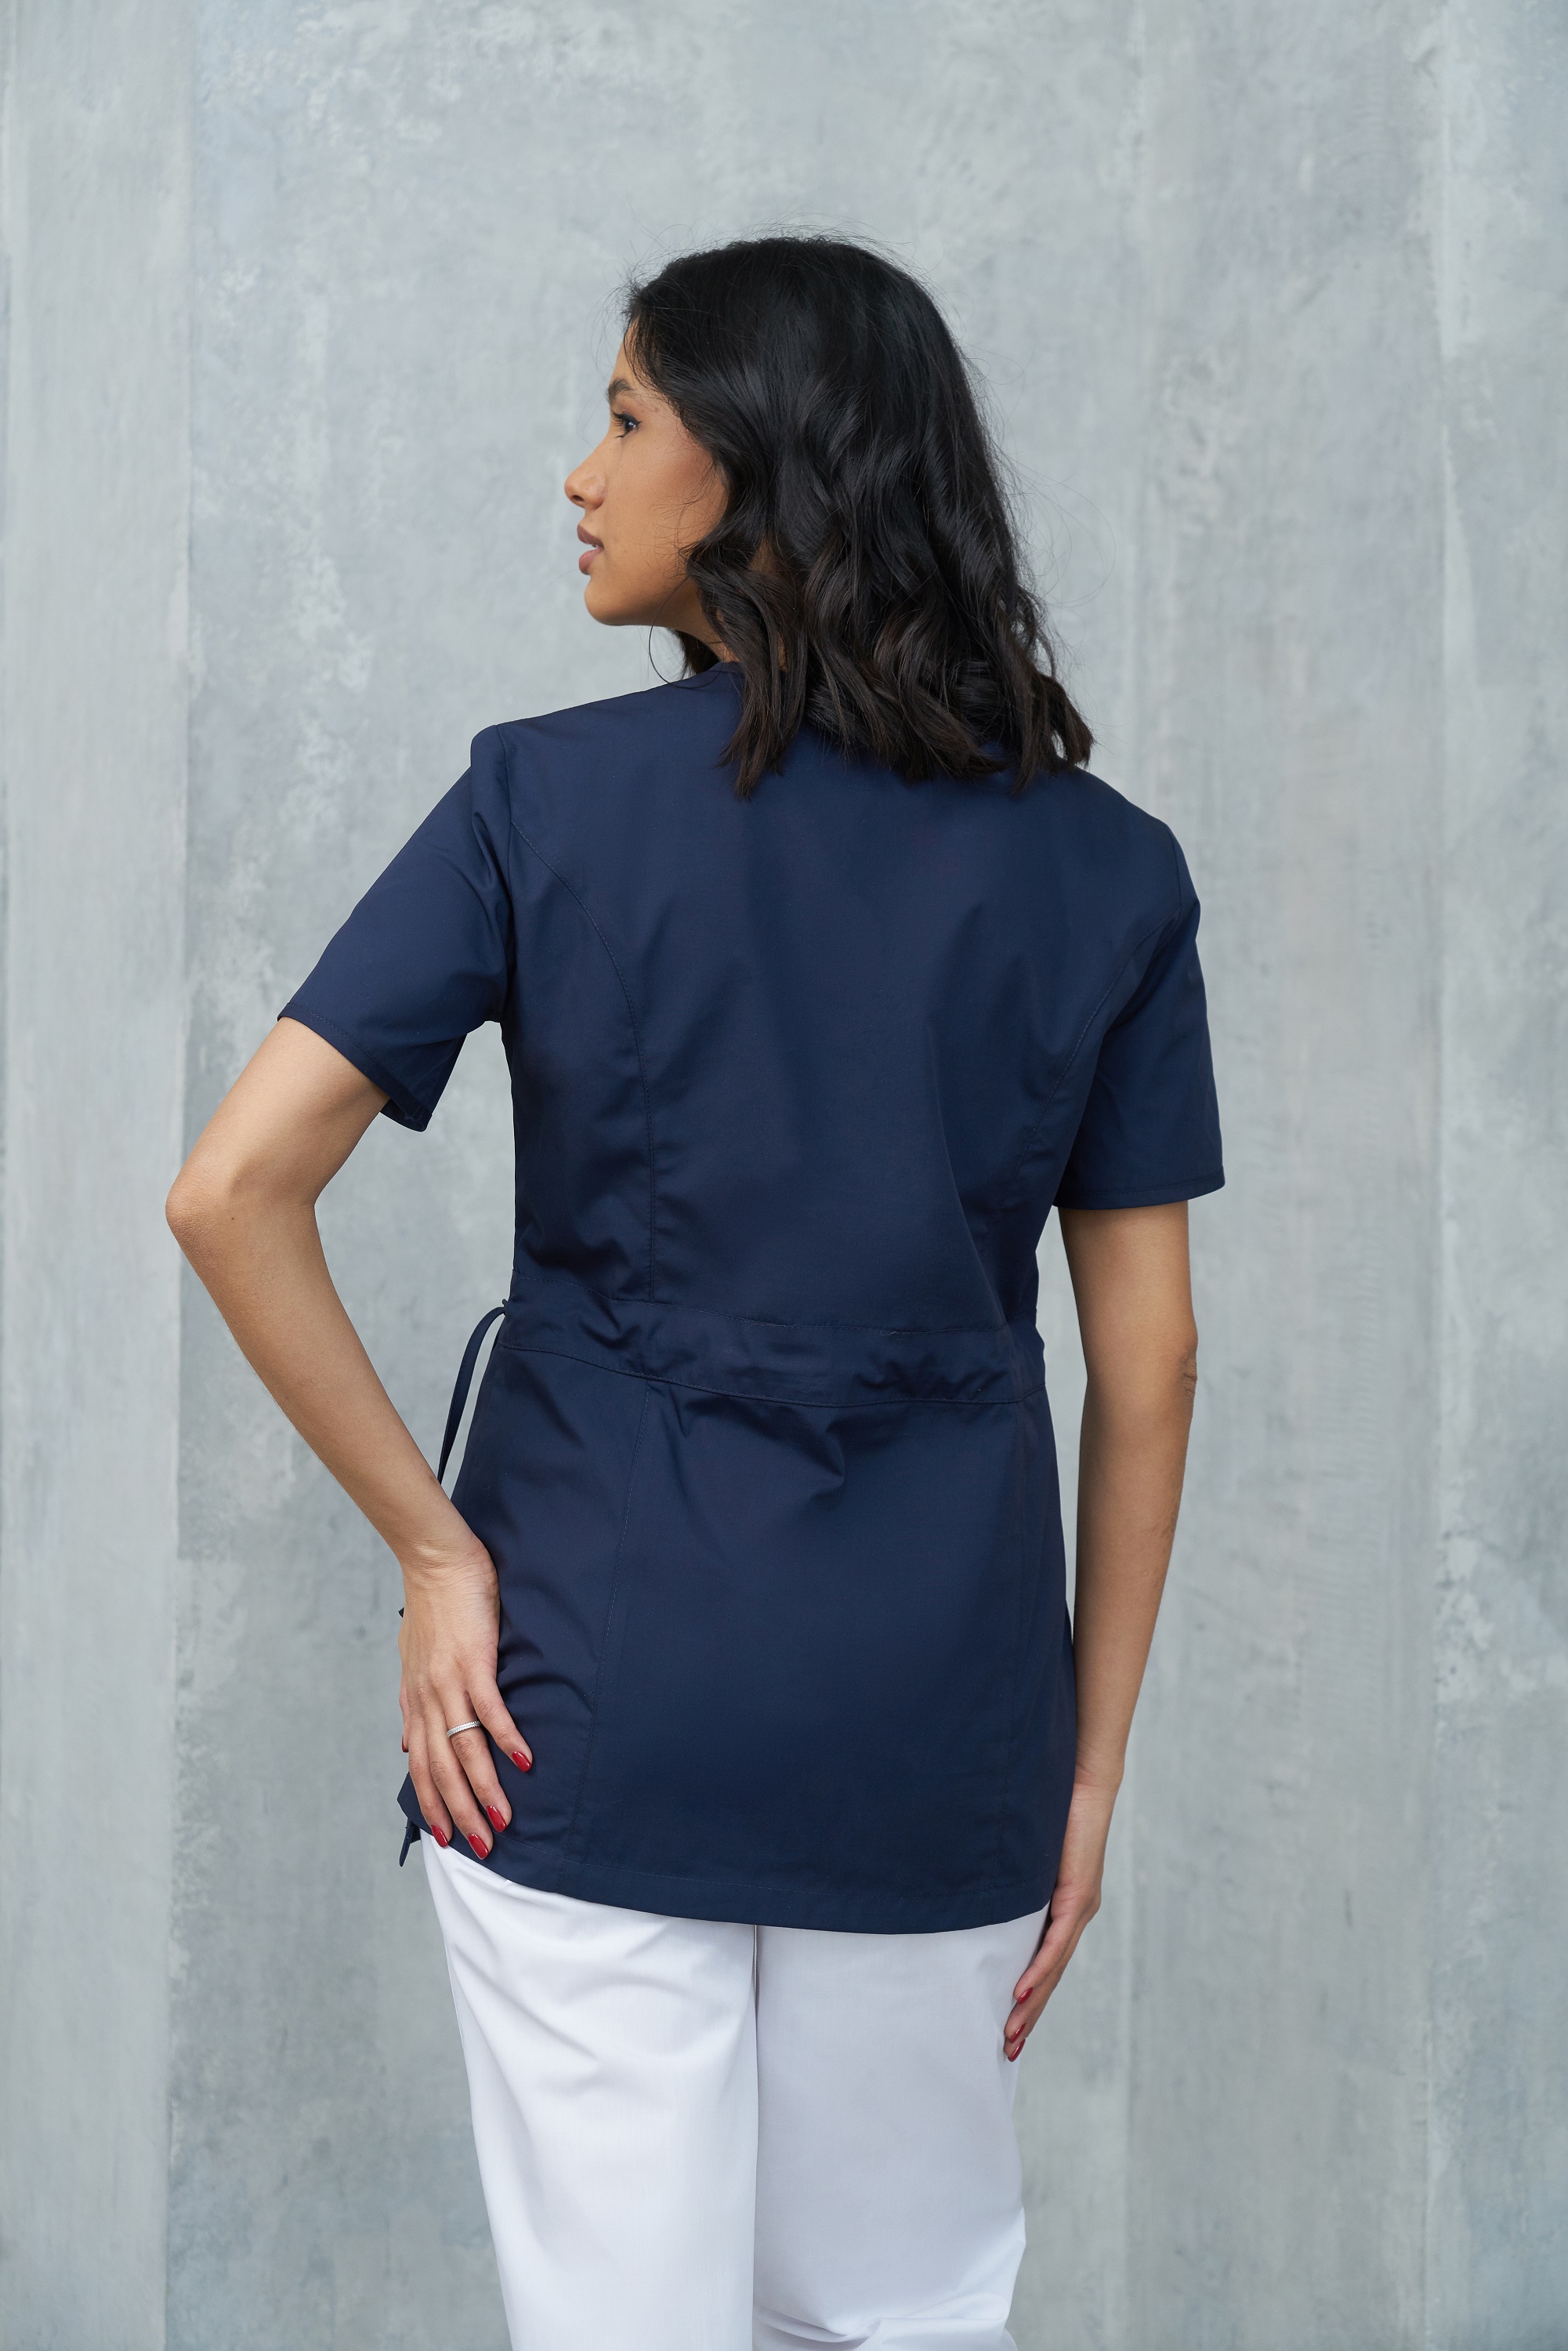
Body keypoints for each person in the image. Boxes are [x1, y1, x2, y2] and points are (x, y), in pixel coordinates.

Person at [167, 233, 1222, 2351]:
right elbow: (1153, 1362)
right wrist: (1087, 1770)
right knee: (899, 2316)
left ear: (747, 467)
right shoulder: (1110, 866)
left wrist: (434, 1554)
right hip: (940, 1721)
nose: (583, 472)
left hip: (589, 1685)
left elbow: (231, 1190)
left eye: (627, 417)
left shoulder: (542, 799)